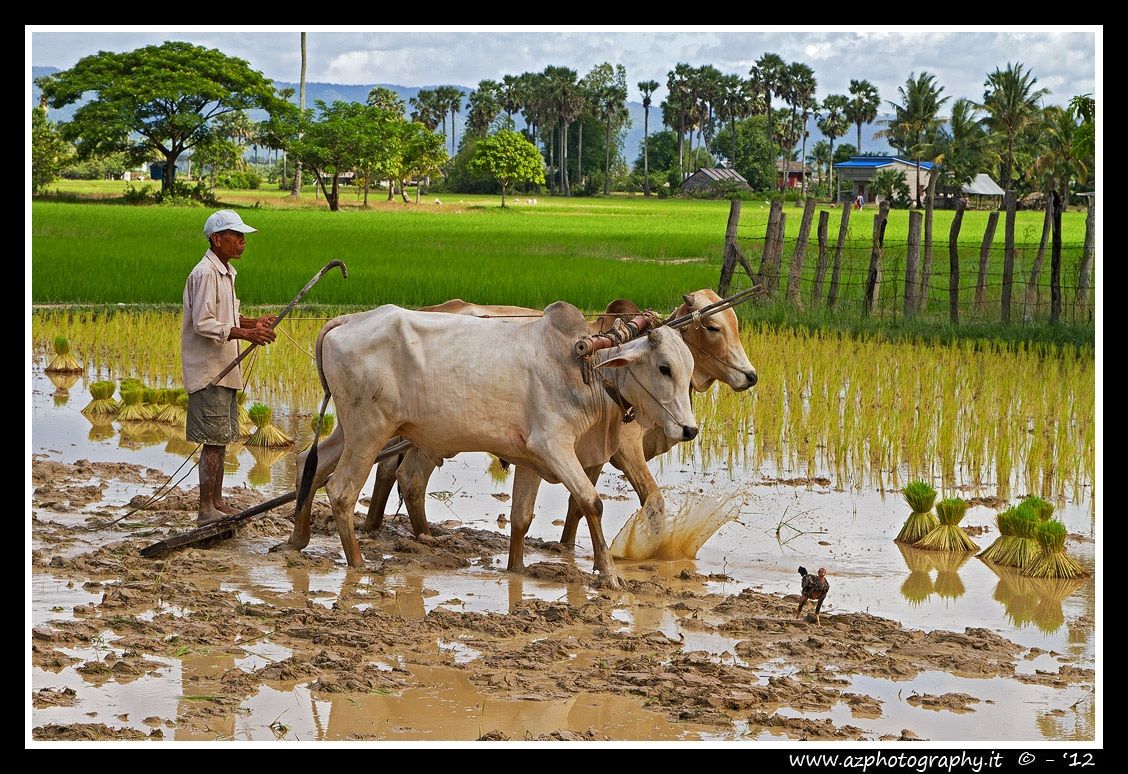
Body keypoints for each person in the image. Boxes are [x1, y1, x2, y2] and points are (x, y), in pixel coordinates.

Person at [182, 210, 277, 526]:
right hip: (210, 370)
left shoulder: (225, 272)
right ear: (216, 239)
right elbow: (204, 323)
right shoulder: (206, 273)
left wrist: (253, 323)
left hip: (224, 367)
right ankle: (205, 509)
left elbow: (227, 318)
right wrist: (247, 333)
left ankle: (216, 501)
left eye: (243, 236)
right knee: (212, 441)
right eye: (236, 235)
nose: (242, 241)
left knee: (220, 439)